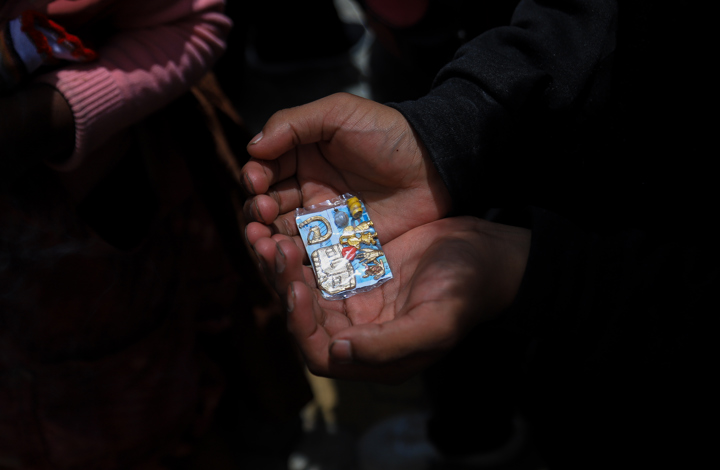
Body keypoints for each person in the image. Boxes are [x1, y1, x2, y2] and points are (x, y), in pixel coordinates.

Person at [240, 0, 715, 467]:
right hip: (550, 137)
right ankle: (477, 432)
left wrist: (551, 273)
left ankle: (479, 434)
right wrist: (445, 129)